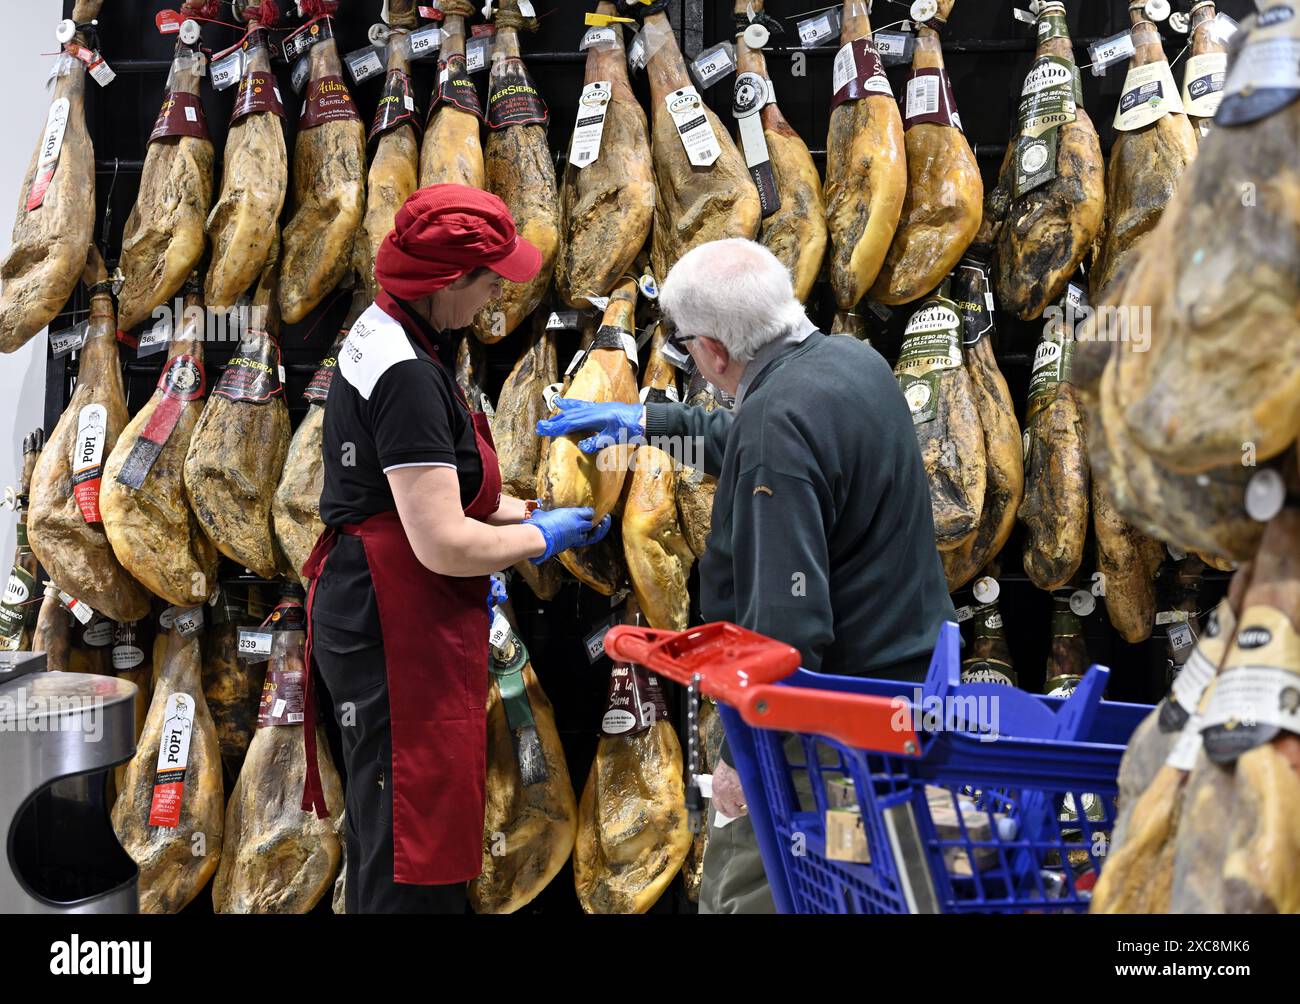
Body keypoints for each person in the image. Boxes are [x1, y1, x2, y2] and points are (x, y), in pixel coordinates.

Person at [537, 238, 956, 913]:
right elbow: (756, 440)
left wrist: (743, 755)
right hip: (903, 703)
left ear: (714, 352)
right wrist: (646, 421)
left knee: (756, 898)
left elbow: (787, 626)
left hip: (827, 744)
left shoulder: (777, 425)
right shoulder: (852, 363)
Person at [299, 185, 611, 914]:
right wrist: (539, 540)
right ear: (447, 282)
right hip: (394, 621)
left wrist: (527, 511)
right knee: (409, 837)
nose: (501, 290)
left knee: (413, 818)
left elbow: (438, 487)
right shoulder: (406, 373)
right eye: (492, 277)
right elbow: (440, 540)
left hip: (395, 603)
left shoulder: (399, 332)